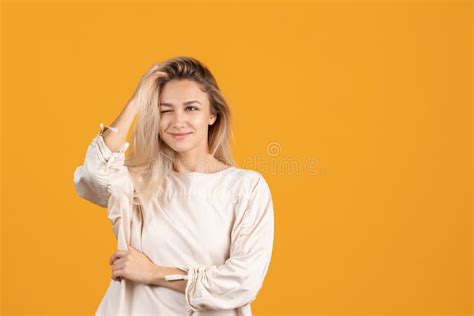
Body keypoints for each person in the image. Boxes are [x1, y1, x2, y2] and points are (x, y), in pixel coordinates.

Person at [73, 56, 274, 315]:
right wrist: (137, 100)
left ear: (212, 114)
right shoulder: (137, 184)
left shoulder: (245, 188)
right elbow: (92, 174)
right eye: (165, 110)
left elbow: (241, 283)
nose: (178, 121)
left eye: (191, 108)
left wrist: (155, 273)